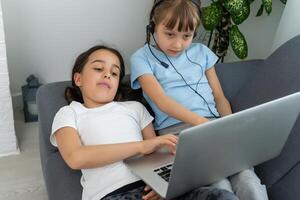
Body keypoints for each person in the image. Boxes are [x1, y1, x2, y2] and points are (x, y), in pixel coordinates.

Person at [50, 45, 238, 200]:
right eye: (99, 69)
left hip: (153, 191)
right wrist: (141, 146)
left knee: (224, 197)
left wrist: (162, 184)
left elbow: (157, 155)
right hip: (111, 194)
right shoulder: (70, 112)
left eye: (115, 73)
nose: (108, 75)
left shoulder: (134, 108)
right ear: (78, 78)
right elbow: (76, 158)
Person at [130, 0, 269, 200]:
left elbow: (220, 97)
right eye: (169, 34)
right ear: (153, 26)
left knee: (248, 180)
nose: (178, 44)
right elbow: (161, 101)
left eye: (186, 36)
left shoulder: (202, 53)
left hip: (216, 127)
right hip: (179, 135)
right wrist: (201, 124)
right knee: (219, 186)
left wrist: (230, 126)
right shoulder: (141, 58)